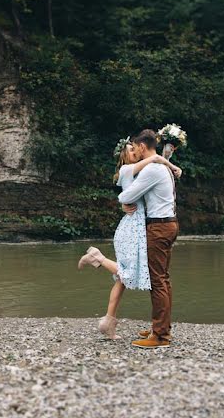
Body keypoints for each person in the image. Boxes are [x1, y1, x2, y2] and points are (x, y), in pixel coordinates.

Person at [78, 136, 181, 340]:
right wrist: (167, 162)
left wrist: (167, 162)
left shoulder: (143, 172)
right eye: (131, 151)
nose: (135, 153)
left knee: (127, 278)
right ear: (125, 156)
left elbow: (150, 169)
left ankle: (110, 321)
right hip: (134, 229)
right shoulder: (129, 170)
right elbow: (149, 165)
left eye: (136, 150)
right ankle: (98, 259)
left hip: (143, 228)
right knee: (131, 275)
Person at [118, 129, 179, 349]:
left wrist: (125, 201)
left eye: (135, 148)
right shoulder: (161, 167)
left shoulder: (152, 169)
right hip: (167, 224)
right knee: (163, 278)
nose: (134, 151)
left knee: (157, 281)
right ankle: (161, 328)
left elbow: (126, 196)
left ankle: (160, 335)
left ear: (142, 147)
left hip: (159, 226)